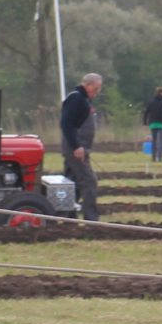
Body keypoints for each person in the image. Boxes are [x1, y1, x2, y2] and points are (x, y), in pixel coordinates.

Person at [59, 72, 103, 223]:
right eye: (96, 88)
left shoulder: (82, 99)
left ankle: (68, 217)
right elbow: (66, 124)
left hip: (78, 149)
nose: (97, 92)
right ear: (87, 85)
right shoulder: (76, 98)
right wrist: (77, 146)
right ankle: (91, 219)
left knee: (72, 184)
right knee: (89, 182)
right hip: (75, 150)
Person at [142, 86, 162, 160]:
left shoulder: (151, 102)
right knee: (160, 141)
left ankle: (153, 157)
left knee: (154, 140)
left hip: (153, 124)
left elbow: (146, 112)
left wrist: (145, 123)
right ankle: (159, 157)